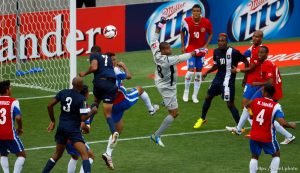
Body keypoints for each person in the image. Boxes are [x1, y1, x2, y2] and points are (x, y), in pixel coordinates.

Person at [148, 12, 206, 147]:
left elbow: (153, 37)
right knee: (174, 113)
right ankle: (156, 135)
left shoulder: (156, 50)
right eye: (167, 48)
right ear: (163, 51)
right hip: (166, 86)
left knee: (171, 100)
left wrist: (161, 23)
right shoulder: (167, 60)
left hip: (162, 80)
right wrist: (197, 52)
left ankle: (159, 105)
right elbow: (183, 57)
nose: (170, 49)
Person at [226, 46, 295, 144]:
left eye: (262, 53)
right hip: (266, 89)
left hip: (271, 92)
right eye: (259, 52)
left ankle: (289, 135)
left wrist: (257, 84)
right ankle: (238, 129)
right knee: (248, 106)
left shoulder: (267, 64)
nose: (259, 54)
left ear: (267, 54)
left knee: (266, 117)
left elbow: (270, 82)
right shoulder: (265, 63)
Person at [101, 53, 159, 169]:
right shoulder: (116, 70)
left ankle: (108, 153)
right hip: (123, 101)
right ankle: (151, 109)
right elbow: (129, 76)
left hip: (112, 106)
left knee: (118, 129)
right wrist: (124, 66)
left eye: (115, 59)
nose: (115, 61)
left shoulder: (102, 73)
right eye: (113, 60)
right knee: (140, 89)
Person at [193, 33, 249, 129]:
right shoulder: (216, 52)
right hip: (217, 79)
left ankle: (240, 127)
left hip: (228, 81)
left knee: (230, 104)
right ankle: (202, 118)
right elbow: (216, 65)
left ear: (226, 42)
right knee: (208, 97)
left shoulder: (234, 52)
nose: (220, 43)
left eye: (222, 41)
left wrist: (245, 77)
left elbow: (246, 61)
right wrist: (207, 72)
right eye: (219, 41)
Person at [42, 77, 91, 173]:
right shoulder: (82, 99)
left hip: (61, 128)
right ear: (80, 86)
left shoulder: (63, 92)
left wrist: (53, 121)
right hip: (73, 130)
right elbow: (83, 118)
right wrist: (92, 111)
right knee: (85, 155)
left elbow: (49, 105)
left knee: (57, 155)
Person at [247, 85, 296, 173]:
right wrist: (291, 125)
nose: (261, 91)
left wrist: (252, 114)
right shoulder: (276, 106)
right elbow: (282, 123)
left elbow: (247, 106)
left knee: (254, 156)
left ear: (266, 92)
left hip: (254, 135)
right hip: (267, 136)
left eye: (263, 90)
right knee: (276, 154)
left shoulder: (256, 101)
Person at [79, 46, 119, 147]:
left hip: (100, 82)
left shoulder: (94, 55)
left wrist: (84, 73)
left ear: (93, 52)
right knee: (108, 114)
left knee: (96, 102)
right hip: (112, 86)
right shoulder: (108, 58)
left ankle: (87, 124)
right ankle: (113, 132)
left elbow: (94, 67)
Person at [181, 4, 213, 103]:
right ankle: (186, 92)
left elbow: (211, 33)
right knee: (190, 71)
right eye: (194, 11)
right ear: (192, 12)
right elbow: (182, 32)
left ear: (200, 12)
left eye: (198, 11)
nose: (196, 13)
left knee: (198, 73)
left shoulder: (206, 22)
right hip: (190, 49)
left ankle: (195, 95)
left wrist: (206, 45)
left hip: (201, 51)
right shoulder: (186, 21)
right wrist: (183, 46)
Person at [67, 85, 96, 173]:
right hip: (74, 136)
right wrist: (87, 129)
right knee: (90, 156)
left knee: (75, 156)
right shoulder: (84, 105)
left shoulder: (72, 102)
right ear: (86, 94)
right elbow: (83, 126)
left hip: (64, 133)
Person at [0, 80, 26, 173]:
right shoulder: (13, 101)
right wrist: (20, 128)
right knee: (22, 155)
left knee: (3, 154)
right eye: (10, 87)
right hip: (9, 133)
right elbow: (18, 118)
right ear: (7, 90)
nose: (11, 89)